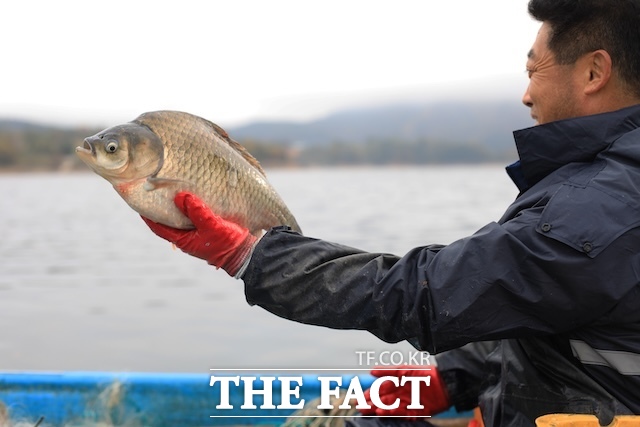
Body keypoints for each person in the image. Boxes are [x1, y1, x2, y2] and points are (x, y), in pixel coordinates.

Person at [142, 0, 640, 425]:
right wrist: (446, 379)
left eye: (534, 71)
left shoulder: (606, 206)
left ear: (594, 72)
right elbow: (550, 319)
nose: (526, 94)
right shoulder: (606, 182)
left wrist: (248, 254)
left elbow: (425, 294)